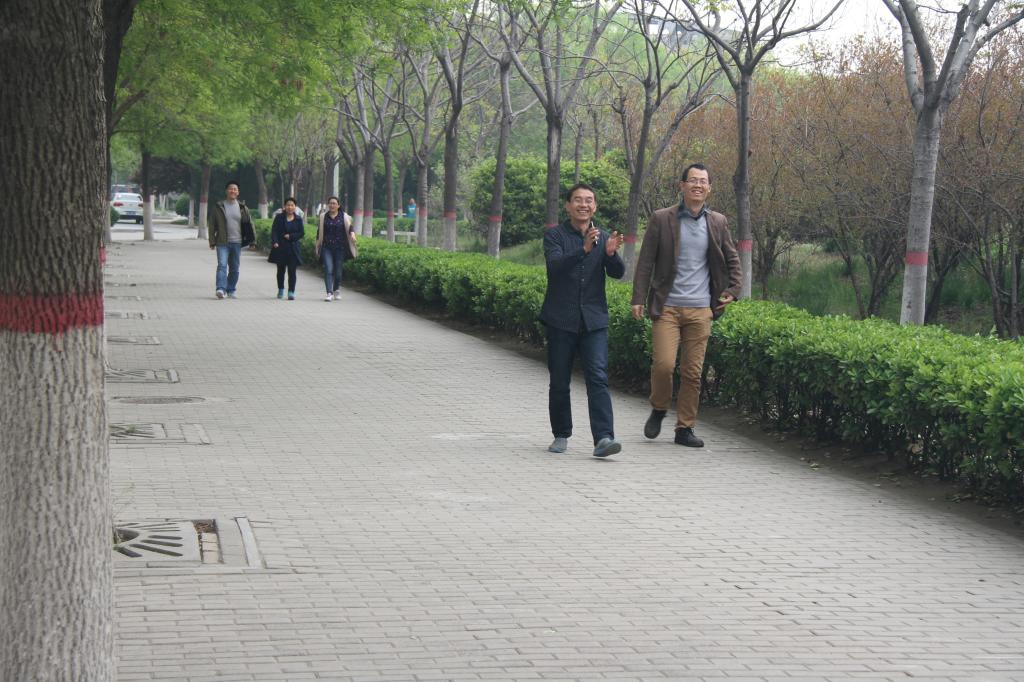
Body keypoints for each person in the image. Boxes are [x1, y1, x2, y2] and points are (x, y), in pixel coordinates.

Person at [630, 163, 742, 447]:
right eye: (693, 180)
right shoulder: (662, 218)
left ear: (709, 188)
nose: (698, 185)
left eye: (703, 181)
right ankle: (659, 408)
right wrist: (638, 297)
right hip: (667, 306)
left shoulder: (717, 221)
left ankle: (685, 428)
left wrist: (734, 289)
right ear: (682, 185)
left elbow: (732, 259)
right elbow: (645, 262)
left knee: (692, 373)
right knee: (664, 365)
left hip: (701, 309)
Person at [540, 183, 626, 458]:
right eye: (578, 200)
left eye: (589, 200)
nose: (584, 205)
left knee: (598, 377)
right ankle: (561, 434)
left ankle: (604, 438)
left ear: (595, 206)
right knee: (559, 380)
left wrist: (611, 254)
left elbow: (617, 273)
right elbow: (555, 267)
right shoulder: (554, 236)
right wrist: (584, 250)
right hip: (561, 319)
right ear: (568, 205)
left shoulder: (603, 237)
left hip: (593, 320)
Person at [208, 180, 256, 299]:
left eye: (235, 189)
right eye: (230, 188)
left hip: (237, 242)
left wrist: (252, 241)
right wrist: (212, 241)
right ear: (226, 191)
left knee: (234, 268)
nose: (232, 191)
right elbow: (212, 225)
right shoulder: (219, 207)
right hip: (222, 242)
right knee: (222, 265)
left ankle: (231, 289)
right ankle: (220, 289)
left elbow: (250, 224)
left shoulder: (243, 208)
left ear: (238, 192)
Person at [314, 196, 356, 301]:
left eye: (334, 203)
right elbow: (319, 232)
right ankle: (329, 293)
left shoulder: (344, 216)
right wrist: (317, 245)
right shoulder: (323, 217)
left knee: (338, 272)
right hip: (326, 247)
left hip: (340, 248)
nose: (332, 205)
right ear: (328, 205)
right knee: (328, 269)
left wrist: (352, 234)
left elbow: (350, 227)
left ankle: (336, 289)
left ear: (338, 205)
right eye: (330, 203)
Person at [268, 197, 305, 300]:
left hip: (293, 249)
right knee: (281, 271)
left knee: (292, 271)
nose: (290, 207)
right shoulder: (279, 217)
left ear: (295, 207)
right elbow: (274, 230)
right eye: (288, 205)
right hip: (280, 247)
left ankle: (291, 292)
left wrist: (291, 236)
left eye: (292, 205)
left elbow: (301, 233)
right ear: (284, 206)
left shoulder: (298, 219)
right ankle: (280, 289)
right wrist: (275, 241)